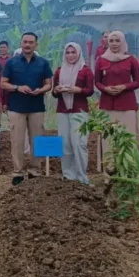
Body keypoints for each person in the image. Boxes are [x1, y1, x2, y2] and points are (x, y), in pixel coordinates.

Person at [1, 32, 53, 186]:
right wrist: (17, 87)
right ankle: (18, 172)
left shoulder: (43, 63)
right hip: (16, 107)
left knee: (37, 140)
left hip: (36, 107)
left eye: (31, 42)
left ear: (36, 44)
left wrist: (41, 90)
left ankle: (35, 171)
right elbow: (3, 83)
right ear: (21, 43)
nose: (28, 45)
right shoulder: (12, 63)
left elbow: (49, 84)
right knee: (17, 141)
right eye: (25, 42)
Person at [95, 31, 139, 166]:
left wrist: (124, 86)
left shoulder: (131, 59)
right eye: (111, 41)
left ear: (122, 42)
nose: (114, 44)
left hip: (127, 104)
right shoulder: (101, 60)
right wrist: (105, 89)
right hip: (107, 104)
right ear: (107, 42)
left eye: (117, 41)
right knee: (109, 137)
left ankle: (129, 168)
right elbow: (97, 82)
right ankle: (109, 168)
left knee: (129, 136)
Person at [52, 43, 94, 184]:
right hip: (63, 110)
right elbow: (54, 93)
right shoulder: (59, 70)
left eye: (73, 52)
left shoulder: (85, 70)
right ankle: (68, 176)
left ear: (79, 53)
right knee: (65, 143)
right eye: (68, 52)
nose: (70, 55)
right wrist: (57, 90)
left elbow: (90, 90)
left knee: (79, 143)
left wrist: (79, 90)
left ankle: (82, 177)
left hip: (79, 110)